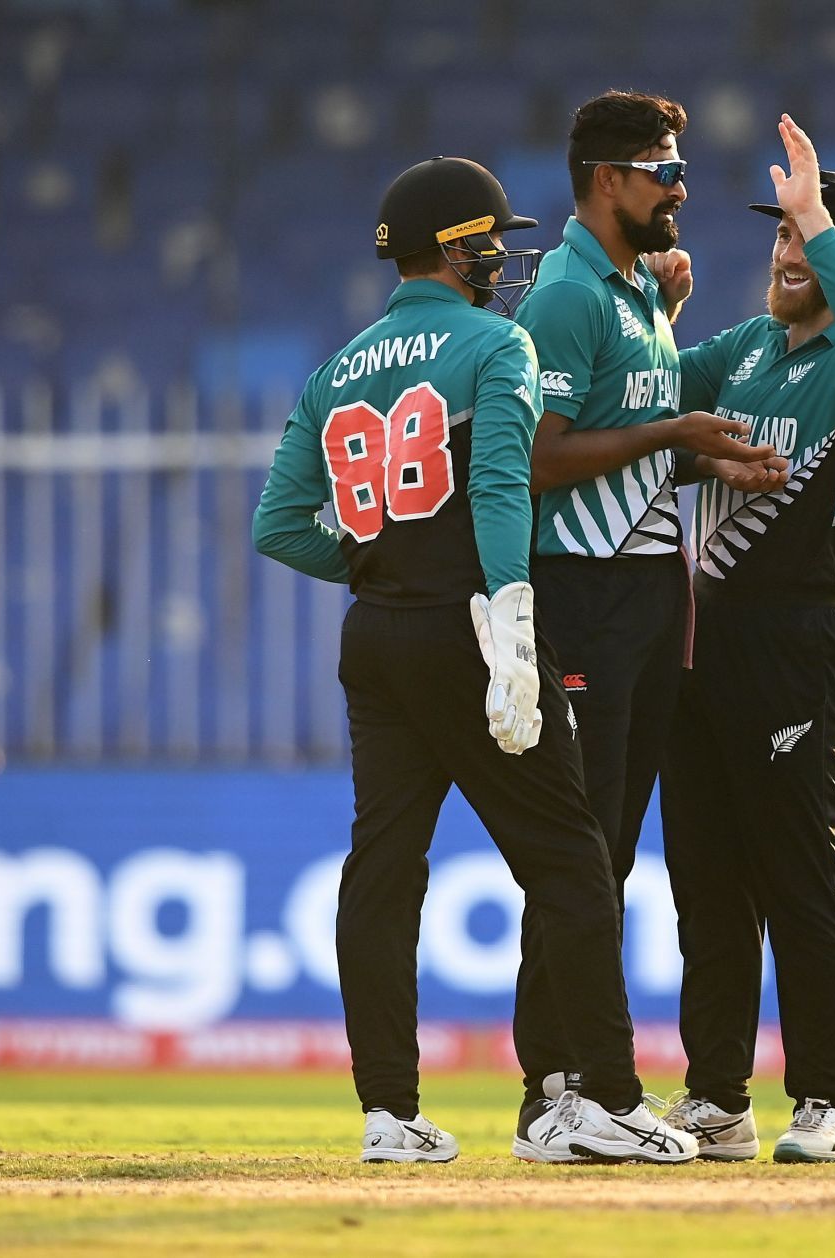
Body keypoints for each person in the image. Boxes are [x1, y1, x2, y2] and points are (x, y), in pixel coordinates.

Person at [251, 156, 697, 1165]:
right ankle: (605, 1100)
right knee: (573, 858)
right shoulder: (494, 342)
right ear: (454, 249)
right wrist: (510, 620)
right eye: (491, 238)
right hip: (470, 621)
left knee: (381, 870)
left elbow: (277, 526)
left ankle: (387, 1111)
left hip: (374, 632)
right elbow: (502, 488)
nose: (504, 254)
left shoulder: (337, 369)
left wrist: (373, 561)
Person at [509, 90, 776, 1135]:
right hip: (586, 589)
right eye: (665, 169)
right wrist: (676, 429)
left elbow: (626, 429)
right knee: (582, 851)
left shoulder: (631, 295)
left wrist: (711, 452)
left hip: (648, 593)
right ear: (608, 179)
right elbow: (538, 460)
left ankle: (572, 1085)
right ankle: (553, 1090)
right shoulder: (568, 297)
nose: (682, 187)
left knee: (608, 852)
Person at [658, 115, 835, 1165]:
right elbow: (652, 410)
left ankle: (825, 1103)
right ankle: (716, 1099)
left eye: (810, 238)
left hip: (796, 633)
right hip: (699, 639)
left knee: (797, 870)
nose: (786, 251)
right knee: (705, 880)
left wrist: (822, 220)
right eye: (782, 234)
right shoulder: (745, 348)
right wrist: (655, 318)